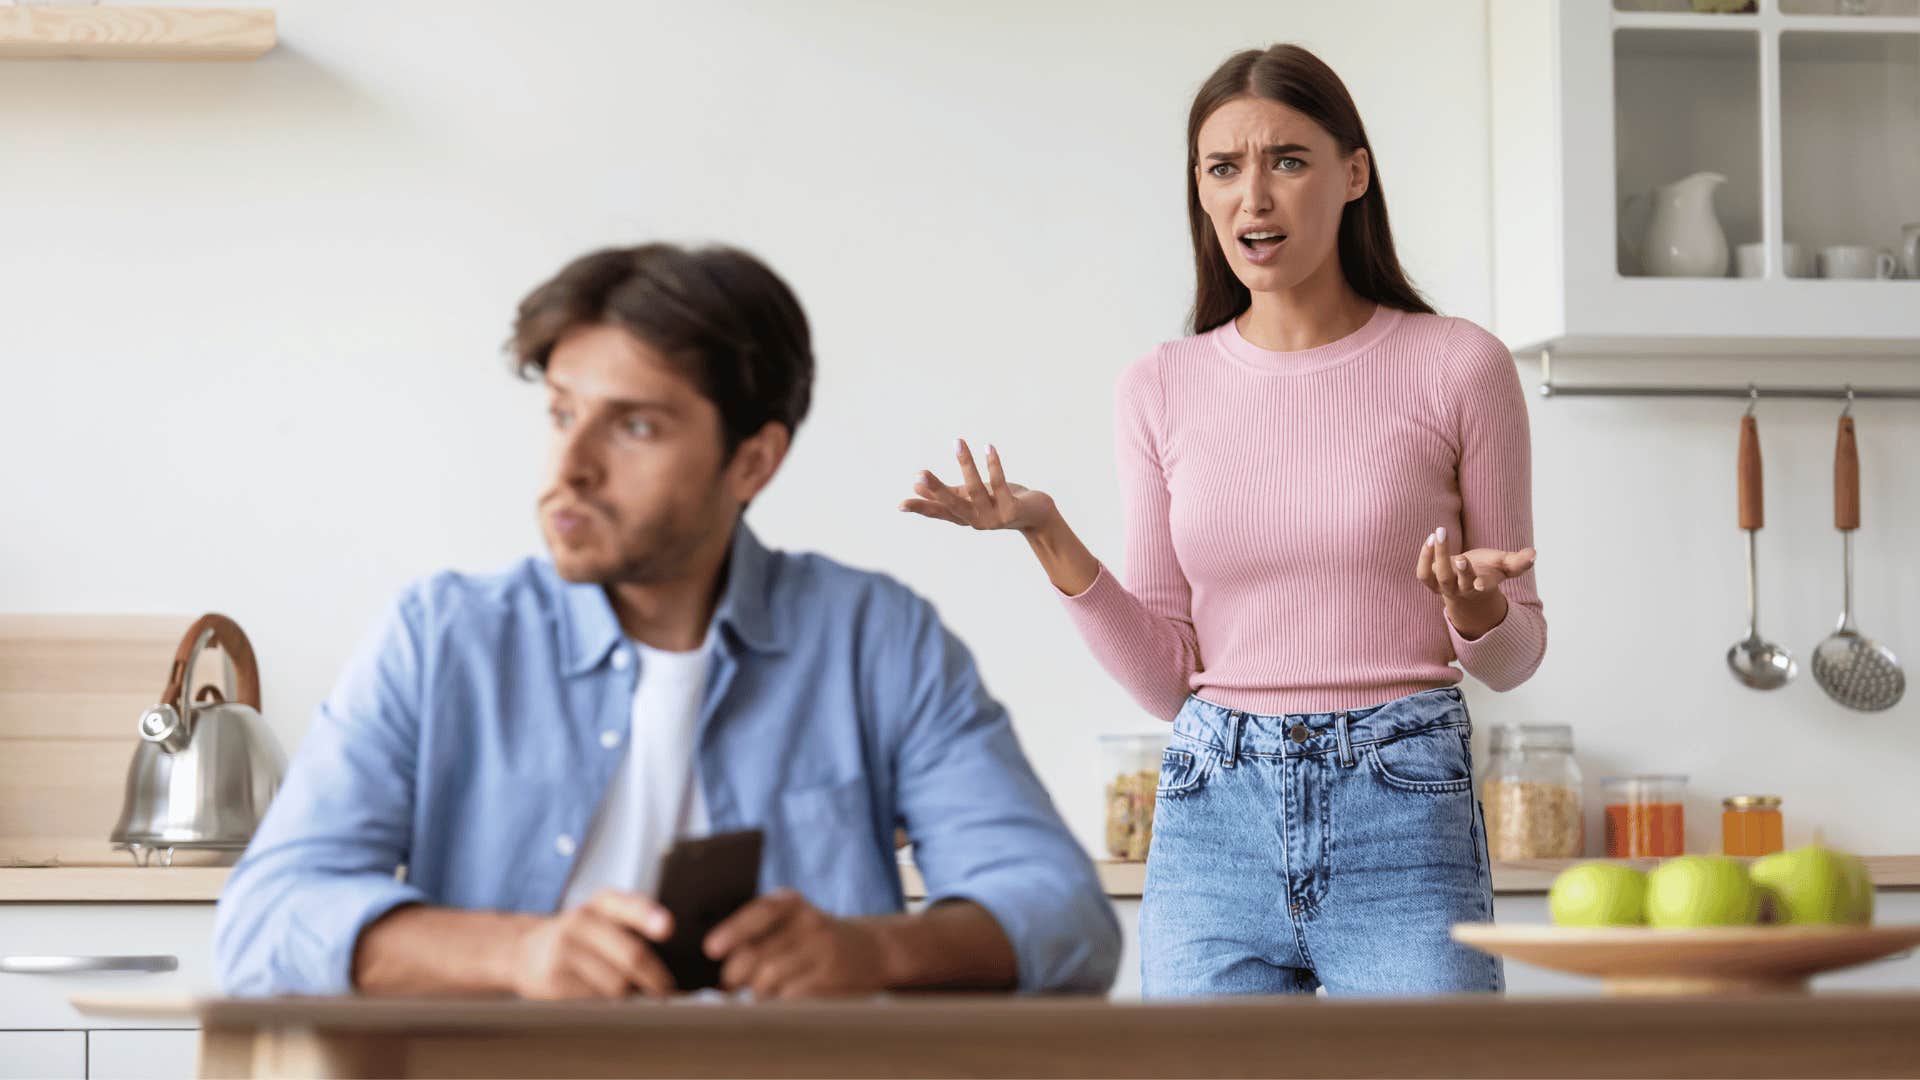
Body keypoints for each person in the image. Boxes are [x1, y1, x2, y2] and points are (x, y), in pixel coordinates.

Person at [215, 243, 1119, 1000]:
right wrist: (519, 954)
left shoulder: (874, 639)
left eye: (633, 427)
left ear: (753, 460)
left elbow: (1066, 916)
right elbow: (264, 922)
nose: (569, 465)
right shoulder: (441, 639)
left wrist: (871, 951)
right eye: (561, 413)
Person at [901, 44, 1543, 997]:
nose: (1255, 197)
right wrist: (1046, 532)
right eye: (1223, 168)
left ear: (1353, 172)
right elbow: (1167, 682)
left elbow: (1516, 654)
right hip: (1215, 808)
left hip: (1404, 804)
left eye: (1287, 159)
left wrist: (1479, 613)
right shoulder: (1160, 387)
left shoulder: (1460, 367)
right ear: (1199, 191)